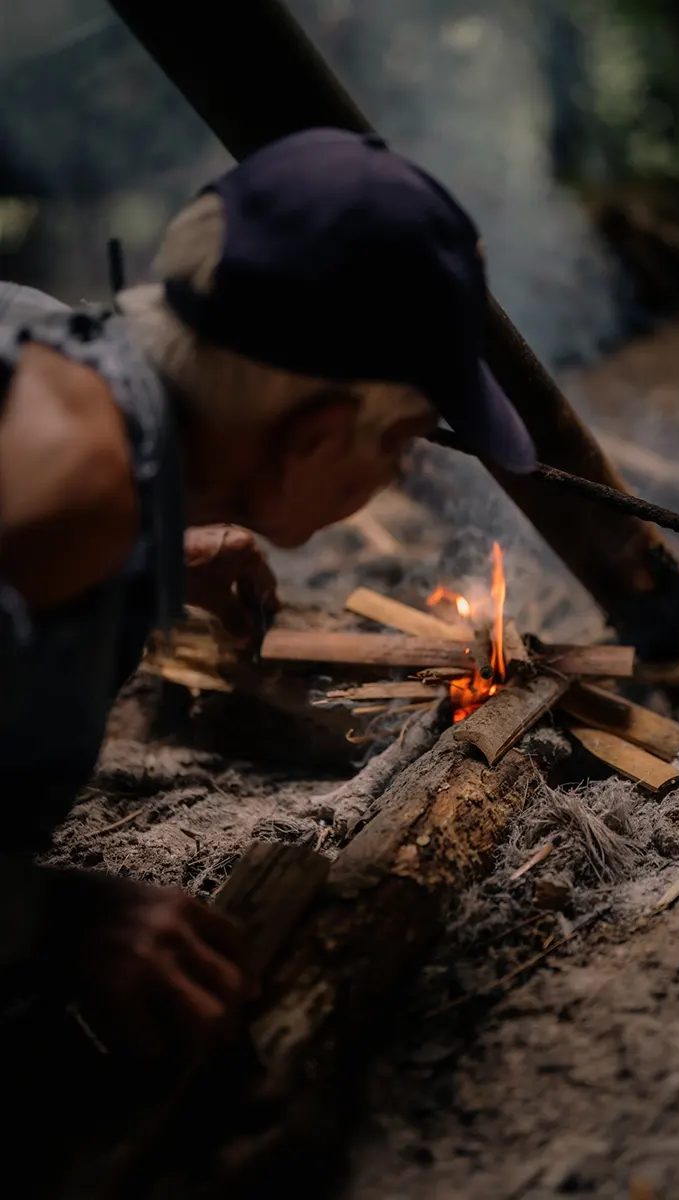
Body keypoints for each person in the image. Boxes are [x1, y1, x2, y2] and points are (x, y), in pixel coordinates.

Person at [0, 127, 536, 1061]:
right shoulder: (64, 506)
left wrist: (152, 535)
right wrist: (56, 921)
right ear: (315, 438)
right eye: (402, 443)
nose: (397, 471)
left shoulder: (46, 349)